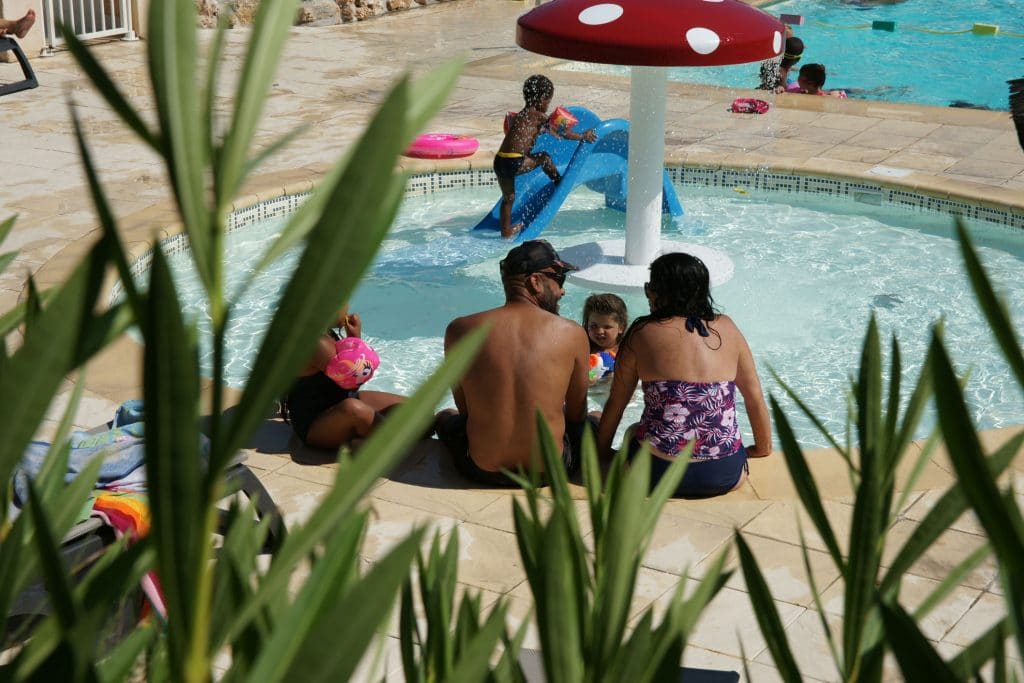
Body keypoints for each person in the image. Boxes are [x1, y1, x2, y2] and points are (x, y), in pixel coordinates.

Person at [596, 253, 772, 498]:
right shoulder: (728, 328)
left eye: (650, 287)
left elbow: (617, 402)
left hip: (656, 474)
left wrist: (602, 453)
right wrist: (763, 448)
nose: (648, 294)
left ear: (658, 292)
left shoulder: (641, 332)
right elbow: (754, 398)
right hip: (724, 474)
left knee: (632, 432)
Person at [434, 239, 590, 486]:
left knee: (446, 417)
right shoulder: (572, 333)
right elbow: (575, 414)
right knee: (592, 420)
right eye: (559, 279)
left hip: (480, 468)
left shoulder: (459, 330)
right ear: (535, 282)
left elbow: (466, 411)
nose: (562, 290)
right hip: (548, 471)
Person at [281, 306, 404, 450]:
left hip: (340, 401)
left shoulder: (324, 333)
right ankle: (384, 441)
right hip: (315, 425)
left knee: (415, 409)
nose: (347, 310)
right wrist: (354, 338)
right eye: (344, 305)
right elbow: (354, 379)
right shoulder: (315, 342)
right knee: (353, 409)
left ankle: (363, 439)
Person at [495, 74, 597, 238]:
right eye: (548, 102)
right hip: (514, 160)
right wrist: (583, 136)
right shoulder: (539, 116)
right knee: (544, 157)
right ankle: (558, 182)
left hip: (500, 160)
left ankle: (505, 231)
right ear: (542, 99)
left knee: (509, 197)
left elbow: (520, 134)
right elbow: (562, 132)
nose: (547, 106)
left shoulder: (521, 115)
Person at [582, 293, 628, 386]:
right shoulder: (583, 348)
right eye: (594, 326)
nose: (600, 331)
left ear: (621, 328)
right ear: (587, 325)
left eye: (607, 327)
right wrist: (590, 378)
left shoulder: (628, 350)